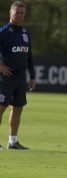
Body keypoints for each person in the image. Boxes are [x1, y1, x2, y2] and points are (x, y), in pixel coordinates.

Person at [0, 1, 36, 150]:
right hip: (6, 77)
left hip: (21, 77)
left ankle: (13, 141)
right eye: (17, 13)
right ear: (11, 13)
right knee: (1, 107)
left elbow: (29, 56)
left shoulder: (25, 33)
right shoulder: (3, 32)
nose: (20, 15)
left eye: (22, 13)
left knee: (18, 107)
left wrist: (32, 76)